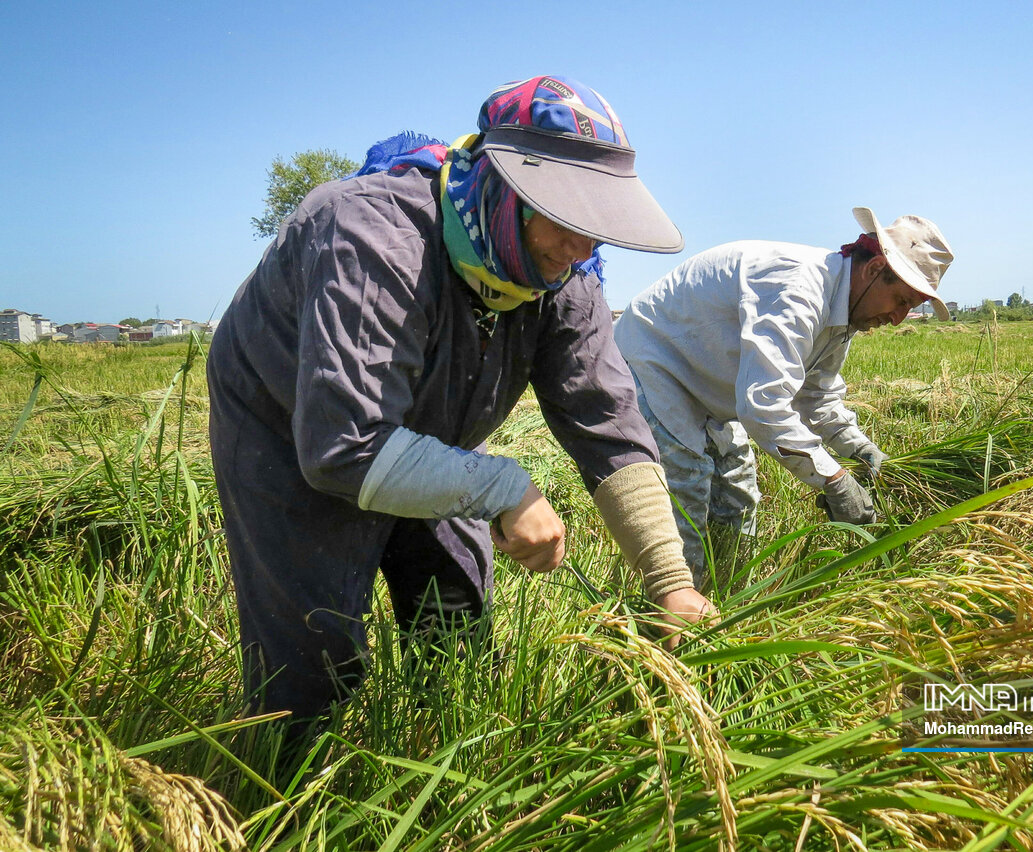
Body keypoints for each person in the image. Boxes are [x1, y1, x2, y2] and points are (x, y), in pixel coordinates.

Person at [207, 75, 715, 726]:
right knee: (312, 650)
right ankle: (291, 793)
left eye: (599, 227)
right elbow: (343, 448)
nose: (585, 248)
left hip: (432, 430)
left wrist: (669, 582)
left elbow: (608, 423)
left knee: (454, 615)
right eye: (568, 218)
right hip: (292, 422)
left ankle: (436, 755)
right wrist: (504, 488)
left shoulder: (566, 278)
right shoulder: (373, 234)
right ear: (508, 192)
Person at [613, 208, 954, 588]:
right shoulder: (798, 289)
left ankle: (726, 604)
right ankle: (671, 620)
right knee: (686, 496)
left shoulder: (844, 312)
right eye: (902, 300)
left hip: (710, 385)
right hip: (654, 363)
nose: (899, 318)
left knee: (738, 502)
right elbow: (764, 406)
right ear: (874, 270)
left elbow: (816, 396)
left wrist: (862, 451)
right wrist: (835, 480)